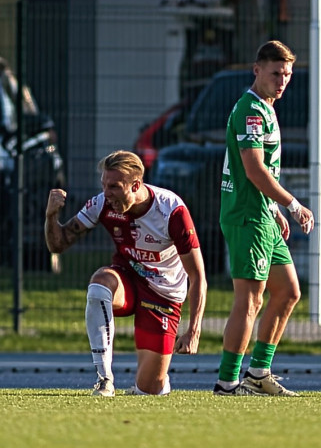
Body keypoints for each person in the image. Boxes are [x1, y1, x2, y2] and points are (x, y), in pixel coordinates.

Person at [44, 150, 206, 396]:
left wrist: (193, 330)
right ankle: (104, 379)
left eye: (114, 187)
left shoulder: (171, 210)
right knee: (99, 284)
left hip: (163, 294)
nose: (106, 193)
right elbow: (58, 244)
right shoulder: (102, 203)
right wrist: (51, 216)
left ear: (136, 185)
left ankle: (158, 379)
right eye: (104, 185)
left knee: (149, 389)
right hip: (127, 280)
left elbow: (197, 276)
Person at [214, 40, 315, 396]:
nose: (282, 80)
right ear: (257, 70)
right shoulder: (251, 111)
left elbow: (263, 172)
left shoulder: (266, 107)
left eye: (287, 74)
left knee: (287, 292)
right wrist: (292, 204)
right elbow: (255, 170)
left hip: (262, 213)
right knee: (250, 299)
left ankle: (258, 374)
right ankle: (227, 382)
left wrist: (273, 208)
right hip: (246, 215)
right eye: (275, 73)